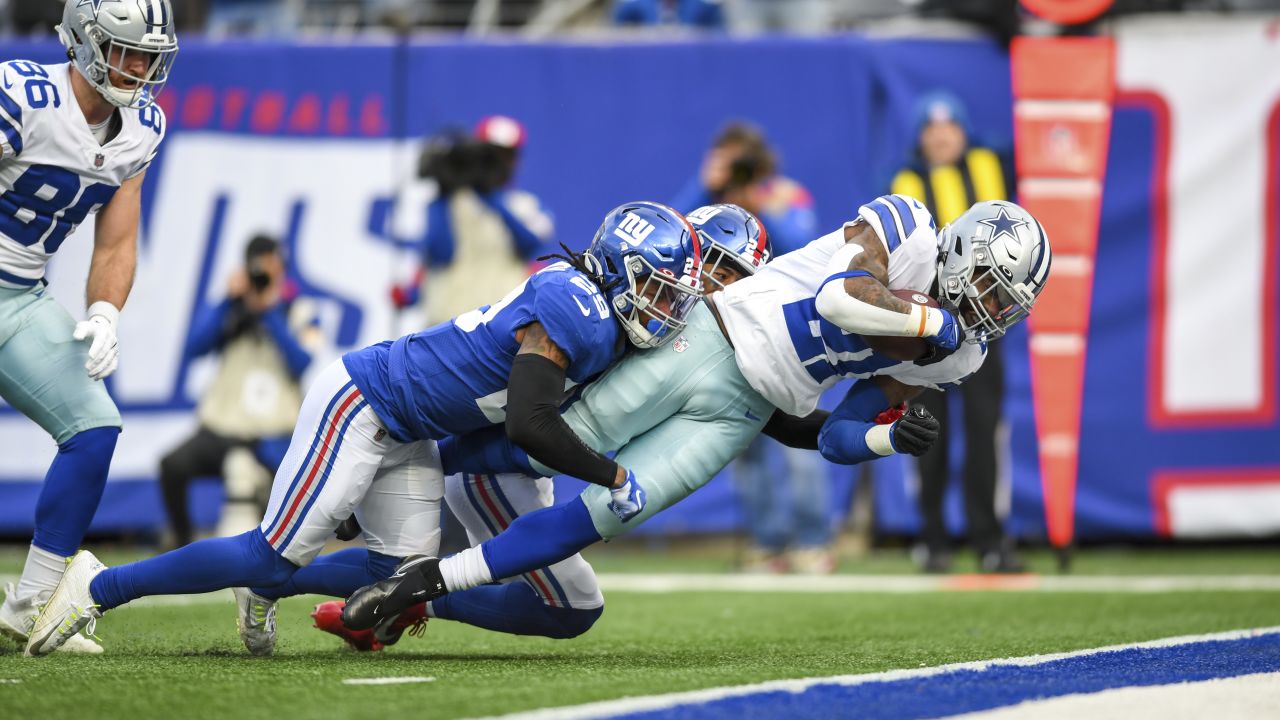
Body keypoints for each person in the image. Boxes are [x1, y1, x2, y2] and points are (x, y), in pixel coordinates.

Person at [320, 196, 1051, 648]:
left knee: (609, 509)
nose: (993, 308)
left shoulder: (960, 358)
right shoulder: (912, 228)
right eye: (990, 282)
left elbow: (831, 437)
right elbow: (840, 300)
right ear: (961, 251)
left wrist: (887, 438)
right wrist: (930, 320)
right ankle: (385, 474)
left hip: (745, 410)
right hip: (706, 337)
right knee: (537, 447)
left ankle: (423, 585)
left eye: (1008, 300)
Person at [24, 202, 705, 658]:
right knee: (269, 552)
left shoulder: (591, 314)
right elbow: (529, 423)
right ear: (619, 268)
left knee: (397, 574)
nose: (665, 307)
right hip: (368, 400)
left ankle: (268, 585)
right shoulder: (577, 307)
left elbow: (502, 423)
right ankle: (96, 587)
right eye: (658, 288)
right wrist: (612, 474)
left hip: (411, 426)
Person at [0, 0, 177, 655]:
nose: (137, 66)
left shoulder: (143, 127)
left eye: (148, 53)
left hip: (18, 295)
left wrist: (105, 311)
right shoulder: (22, 94)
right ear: (81, 39)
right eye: (123, 49)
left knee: (94, 427)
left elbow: (115, 243)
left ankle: (33, 605)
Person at [674, 124, 830, 574]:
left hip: (787, 338)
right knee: (747, 443)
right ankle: (769, 543)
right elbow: (669, 237)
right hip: (728, 337)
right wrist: (704, 185)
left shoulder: (786, 194)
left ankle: (814, 542)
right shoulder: (708, 203)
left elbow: (803, 248)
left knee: (798, 444)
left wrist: (755, 201)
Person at [890, 90, 1022, 573]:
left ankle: (990, 540)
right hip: (927, 328)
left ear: (964, 132)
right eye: (931, 128)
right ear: (920, 139)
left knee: (985, 434)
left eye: (950, 127)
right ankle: (933, 539)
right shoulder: (906, 180)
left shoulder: (990, 165)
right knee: (928, 434)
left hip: (986, 326)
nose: (942, 136)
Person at [159, 234, 319, 548]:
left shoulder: (300, 310)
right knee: (172, 466)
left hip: (273, 435)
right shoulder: (232, 308)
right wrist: (227, 302)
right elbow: (193, 348)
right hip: (223, 429)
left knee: (281, 496)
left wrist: (270, 312)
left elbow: (302, 362)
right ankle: (181, 539)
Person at [392, 115, 555, 327]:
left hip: (499, 329)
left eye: (505, 155)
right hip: (446, 329)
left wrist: (492, 198)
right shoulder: (449, 204)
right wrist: (443, 192)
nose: (495, 163)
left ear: (516, 161)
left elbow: (531, 246)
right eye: (490, 155)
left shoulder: (525, 205)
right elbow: (441, 254)